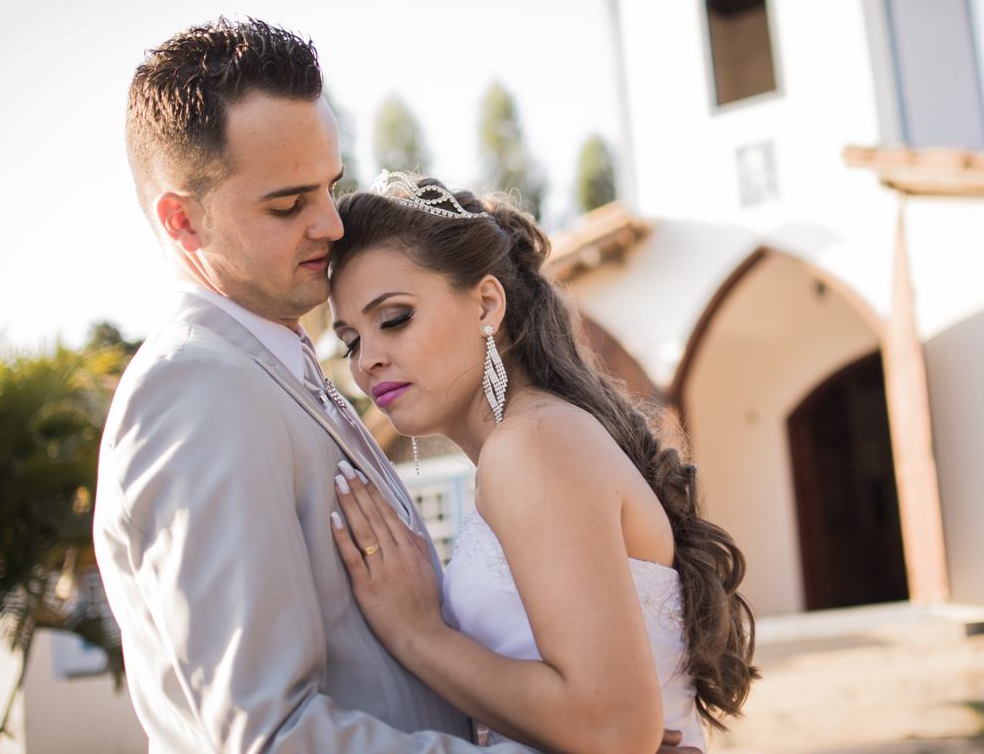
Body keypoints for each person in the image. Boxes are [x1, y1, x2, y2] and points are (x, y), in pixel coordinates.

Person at [95, 18, 540, 753]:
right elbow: (271, 734)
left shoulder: (274, 364)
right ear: (181, 221)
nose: (332, 224)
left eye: (330, 187)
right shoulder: (194, 390)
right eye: (286, 204)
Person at [325, 173, 759, 754]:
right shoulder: (536, 440)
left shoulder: (530, 445)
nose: (369, 360)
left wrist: (419, 634)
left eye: (395, 318)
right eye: (350, 340)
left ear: (485, 303)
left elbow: (612, 728)